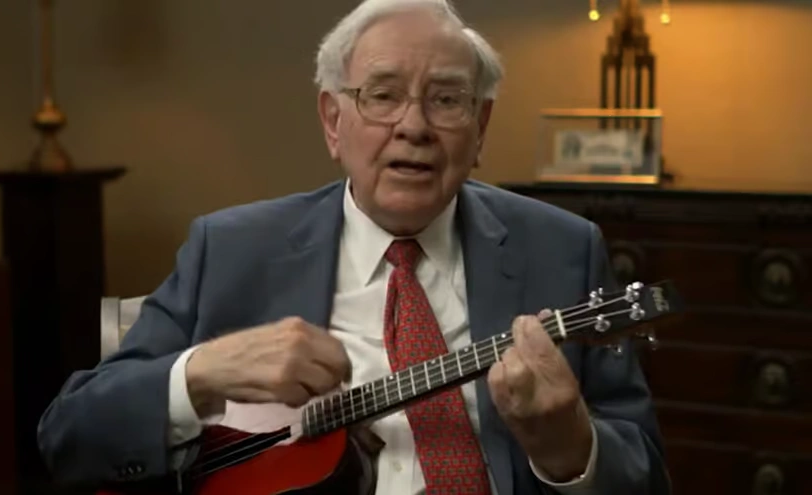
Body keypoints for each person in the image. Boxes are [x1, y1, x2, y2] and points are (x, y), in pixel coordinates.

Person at [37, 0, 670, 494]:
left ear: (479, 130)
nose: (414, 126)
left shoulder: (562, 247)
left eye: (446, 100)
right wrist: (202, 372)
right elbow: (69, 434)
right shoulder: (230, 249)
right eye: (383, 95)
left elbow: (645, 474)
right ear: (333, 122)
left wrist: (570, 448)